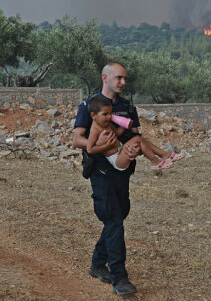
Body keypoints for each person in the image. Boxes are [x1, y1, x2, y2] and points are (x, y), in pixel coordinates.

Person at [73, 62, 148, 296]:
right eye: (119, 78)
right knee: (114, 220)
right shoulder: (90, 105)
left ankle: (97, 264)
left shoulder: (127, 106)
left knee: (119, 215)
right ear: (105, 78)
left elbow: (135, 134)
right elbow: (77, 139)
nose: (123, 83)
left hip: (123, 171)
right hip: (101, 172)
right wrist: (100, 147)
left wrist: (135, 148)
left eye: (125, 78)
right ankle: (119, 277)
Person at [86, 96, 184, 171]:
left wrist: (125, 126)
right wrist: (106, 146)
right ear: (93, 115)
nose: (109, 116)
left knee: (139, 139)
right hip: (117, 159)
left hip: (121, 148)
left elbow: (117, 134)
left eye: (110, 113)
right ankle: (155, 162)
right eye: (105, 114)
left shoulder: (107, 123)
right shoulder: (95, 130)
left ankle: (165, 155)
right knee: (137, 140)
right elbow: (90, 149)